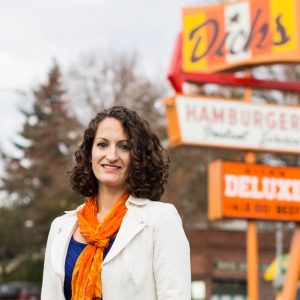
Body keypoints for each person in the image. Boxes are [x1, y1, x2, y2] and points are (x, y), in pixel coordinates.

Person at [41, 106, 191, 300]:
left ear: (138, 156)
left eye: (124, 146)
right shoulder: (61, 227)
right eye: (102, 145)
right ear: (90, 153)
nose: (111, 156)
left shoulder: (160, 220)